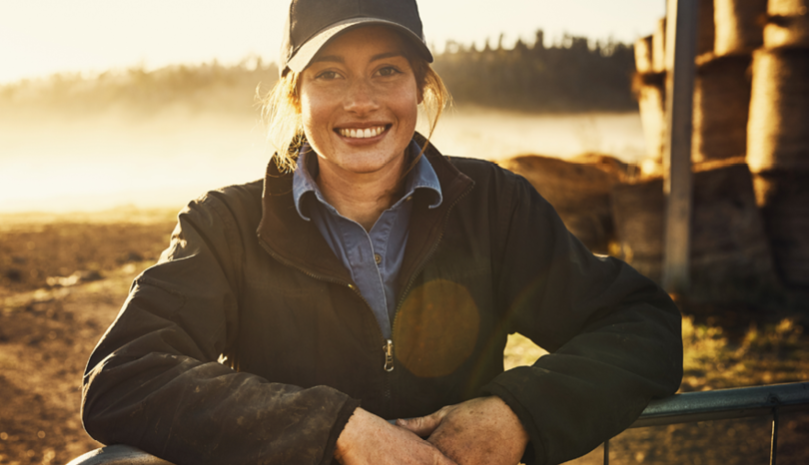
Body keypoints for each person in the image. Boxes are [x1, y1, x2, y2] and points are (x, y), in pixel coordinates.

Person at [81, 0, 683, 464]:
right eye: (330, 75)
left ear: (422, 86)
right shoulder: (225, 227)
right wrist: (336, 429)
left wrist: (515, 412)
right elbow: (125, 375)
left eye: (386, 70)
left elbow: (641, 325)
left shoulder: (495, 207)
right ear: (295, 95)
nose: (361, 102)